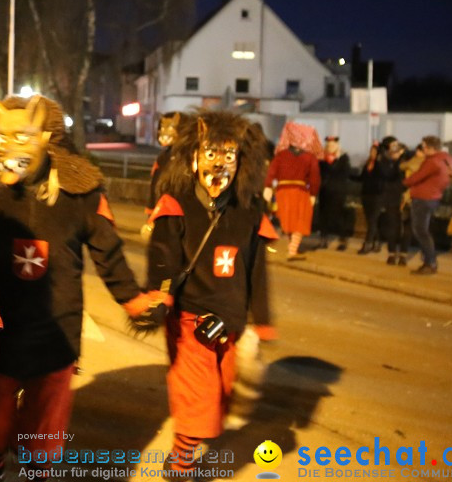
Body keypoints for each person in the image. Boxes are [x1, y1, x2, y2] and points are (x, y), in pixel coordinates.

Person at [0, 94, 161, 481]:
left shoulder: (80, 195)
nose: (7, 147)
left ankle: (36, 468)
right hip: (1, 327)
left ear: (45, 137)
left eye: (20, 136)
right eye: (0, 136)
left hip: (56, 331)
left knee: (46, 421)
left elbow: (108, 251)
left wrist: (133, 299)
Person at [146, 110, 276, 478]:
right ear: (193, 158)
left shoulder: (250, 211)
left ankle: (186, 453)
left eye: (229, 156)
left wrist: (262, 319)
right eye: (211, 154)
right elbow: (163, 259)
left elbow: (258, 270)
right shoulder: (177, 203)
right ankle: (181, 463)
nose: (220, 164)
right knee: (198, 396)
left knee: (223, 394)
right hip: (190, 319)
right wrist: (160, 297)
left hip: (231, 320)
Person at [263, 121, 321, 261]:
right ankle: (292, 250)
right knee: (299, 222)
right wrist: (313, 193)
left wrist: (268, 186)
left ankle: (291, 248)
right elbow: (315, 178)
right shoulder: (309, 157)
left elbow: (271, 172)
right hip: (300, 192)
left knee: (288, 221)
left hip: (282, 192)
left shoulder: (281, 155)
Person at [402, 135, 452, 275]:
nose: (422, 149)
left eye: (424, 146)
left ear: (430, 148)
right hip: (434, 197)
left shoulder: (432, 161)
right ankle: (429, 261)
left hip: (423, 198)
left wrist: (405, 182)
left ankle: (430, 262)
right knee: (423, 230)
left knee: (420, 231)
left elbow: (417, 177)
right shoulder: (447, 159)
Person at [316, 136, 353, 251]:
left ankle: (343, 240)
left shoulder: (343, 158)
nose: (330, 147)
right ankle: (323, 239)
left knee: (338, 216)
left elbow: (345, 173)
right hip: (324, 191)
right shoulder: (321, 159)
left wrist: (333, 163)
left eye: (332, 145)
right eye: (328, 145)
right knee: (323, 216)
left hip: (338, 191)